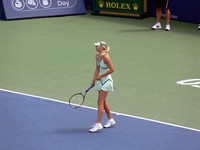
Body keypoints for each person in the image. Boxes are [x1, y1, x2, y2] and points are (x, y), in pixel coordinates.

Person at [89, 41, 116, 133]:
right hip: (100, 80)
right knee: (103, 101)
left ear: (102, 47)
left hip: (107, 81)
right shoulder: (97, 56)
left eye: (97, 46)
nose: (96, 47)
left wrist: (101, 76)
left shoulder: (106, 57)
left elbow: (112, 70)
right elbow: (97, 68)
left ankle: (98, 124)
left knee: (100, 101)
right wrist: (93, 80)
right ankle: (110, 119)